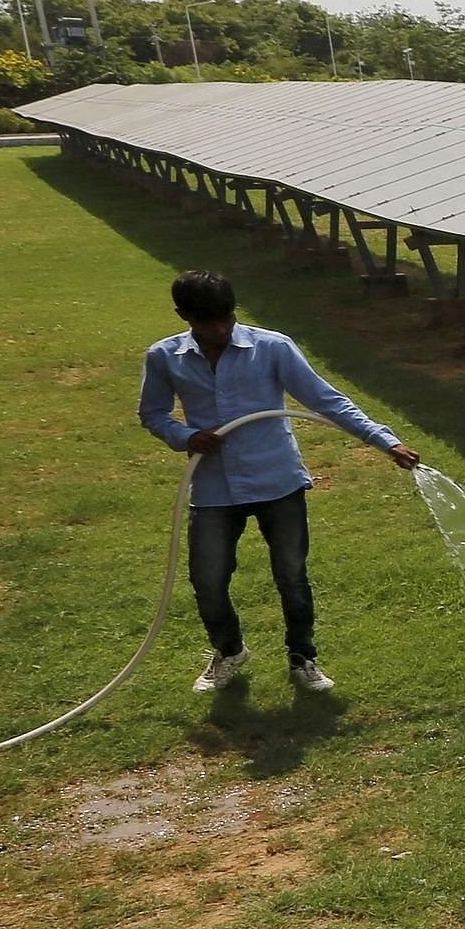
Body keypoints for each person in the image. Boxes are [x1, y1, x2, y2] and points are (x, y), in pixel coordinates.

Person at [137, 271, 420, 695]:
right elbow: (153, 413)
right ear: (183, 316)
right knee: (207, 579)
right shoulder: (164, 357)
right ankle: (229, 651)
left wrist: (386, 441)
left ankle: (303, 658)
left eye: (225, 320)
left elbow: (327, 400)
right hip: (214, 487)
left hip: (277, 481)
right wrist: (186, 437)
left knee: (291, 574)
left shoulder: (271, 347)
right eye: (207, 323)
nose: (219, 331)